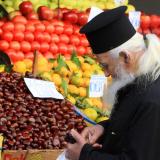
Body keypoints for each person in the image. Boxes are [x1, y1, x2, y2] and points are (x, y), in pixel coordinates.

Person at [66, 6, 160, 160]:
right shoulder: (140, 78)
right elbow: (135, 124)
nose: (106, 73)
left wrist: (84, 155)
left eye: (105, 65)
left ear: (125, 57)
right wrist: (104, 128)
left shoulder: (153, 100)